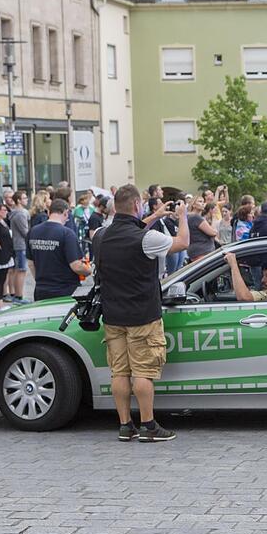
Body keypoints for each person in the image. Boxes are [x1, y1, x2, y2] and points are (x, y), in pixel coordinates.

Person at [94, 185, 189, 443]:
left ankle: (125, 426)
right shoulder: (146, 240)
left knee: (120, 373)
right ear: (137, 205)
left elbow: (132, 228)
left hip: (113, 315)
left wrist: (156, 215)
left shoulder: (101, 236)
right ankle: (148, 425)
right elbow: (183, 243)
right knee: (142, 373)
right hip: (142, 316)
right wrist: (182, 216)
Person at [26, 199, 91, 301]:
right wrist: (88, 270)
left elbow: (30, 263)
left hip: (41, 290)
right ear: (66, 213)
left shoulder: (33, 231)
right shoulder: (66, 233)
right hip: (65, 290)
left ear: (49, 212)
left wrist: (40, 281)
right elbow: (76, 266)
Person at [6, 190, 30, 304]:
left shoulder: (17, 213)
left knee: (18, 270)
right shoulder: (20, 214)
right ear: (19, 200)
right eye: (24, 198)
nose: (27, 200)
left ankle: (17, 294)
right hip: (21, 245)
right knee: (21, 270)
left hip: (18, 244)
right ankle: (18, 296)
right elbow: (25, 231)